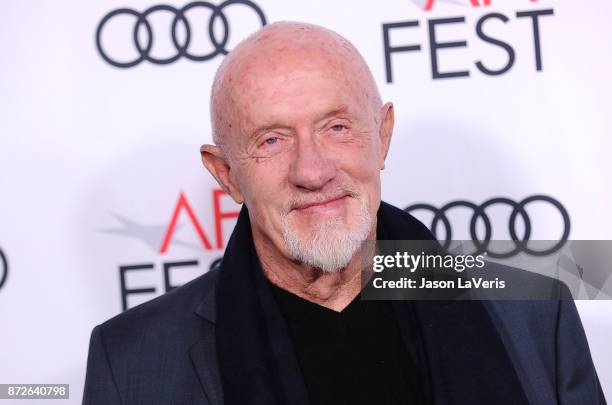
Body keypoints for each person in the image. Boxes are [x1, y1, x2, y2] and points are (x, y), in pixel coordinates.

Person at [82, 22, 605, 405]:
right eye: (271, 139)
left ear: (383, 136)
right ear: (226, 175)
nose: (312, 171)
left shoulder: (536, 314)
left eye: (337, 127)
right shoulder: (131, 367)